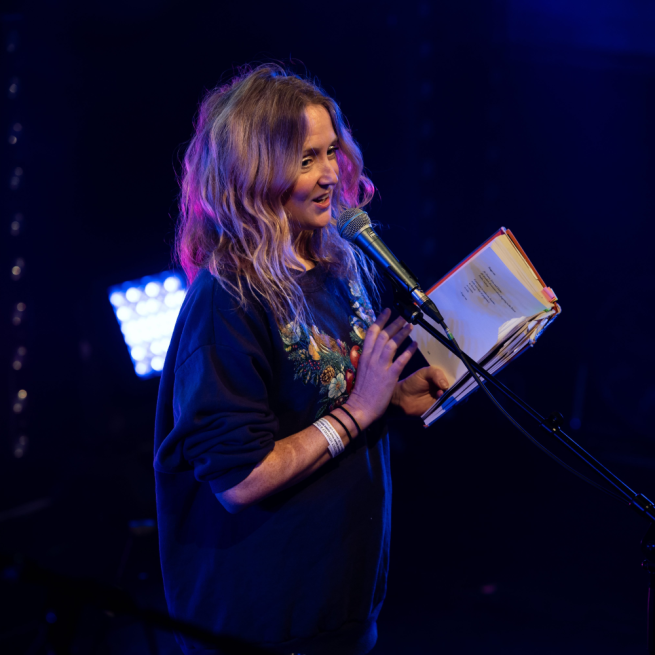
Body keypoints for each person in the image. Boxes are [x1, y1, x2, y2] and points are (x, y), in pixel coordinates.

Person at [154, 64, 449, 655]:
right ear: (253, 174)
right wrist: (361, 410)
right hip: (261, 623)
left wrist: (389, 396)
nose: (330, 175)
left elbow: (325, 393)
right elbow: (238, 479)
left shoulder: (339, 261)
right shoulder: (229, 296)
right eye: (305, 159)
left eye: (331, 152)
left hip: (340, 607)